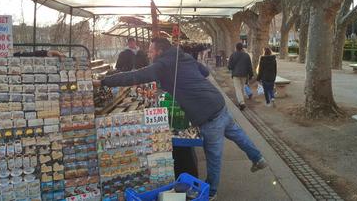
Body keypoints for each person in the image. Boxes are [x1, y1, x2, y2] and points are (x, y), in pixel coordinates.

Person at [93, 38, 267, 200]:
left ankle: (211, 192)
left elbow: (134, 76)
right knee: (238, 134)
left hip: (207, 114)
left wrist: (103, 82)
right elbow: (205, 72)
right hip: (218, 103)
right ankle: (258, 159)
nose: (149, 54)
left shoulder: (163, 64)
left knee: (213, 156)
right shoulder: (183, 56)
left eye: (151, 51)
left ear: (160, 51)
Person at [228, 42, 253, 110]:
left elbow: (229, 66)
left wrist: (232, 68)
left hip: (236, 74)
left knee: (238, 89)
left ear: (236, 48)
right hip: (244, 74)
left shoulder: (233, 55)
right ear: (242, 48)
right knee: (242, 87)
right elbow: (249, 66)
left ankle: (241, 102)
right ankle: (242, 101)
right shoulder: (246, 55)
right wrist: (251, 75)